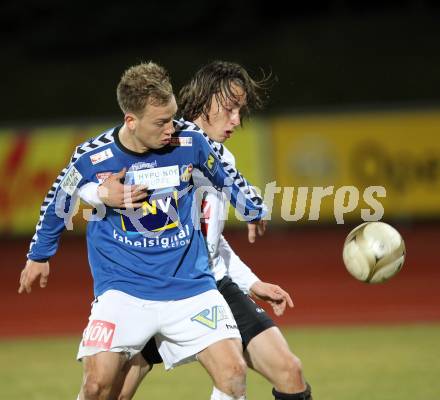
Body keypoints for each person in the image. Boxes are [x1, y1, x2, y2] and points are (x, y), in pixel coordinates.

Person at [18, 61, 268, 400]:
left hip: (189, 286)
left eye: (173, 117)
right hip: (124, 289)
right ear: (131, 121)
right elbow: (57, 200)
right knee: (97, 386)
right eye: (161, 122)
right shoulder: (92, 158)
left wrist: (251, 208)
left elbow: (224, 174)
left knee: (234, 374)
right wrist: (39, 256)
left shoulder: (189, 141)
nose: (171, 128)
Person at [84, 61, 313, 400]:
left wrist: (251, 283)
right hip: (153, 281)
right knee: (108, 391)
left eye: (241, 111)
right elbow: (89, 184)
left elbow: (210, 237)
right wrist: (97, 193)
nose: (236, 120)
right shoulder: (163, 145)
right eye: (230, 108)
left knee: (289, 371)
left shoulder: (222, 160)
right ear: (206, 99)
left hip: (210, 282)